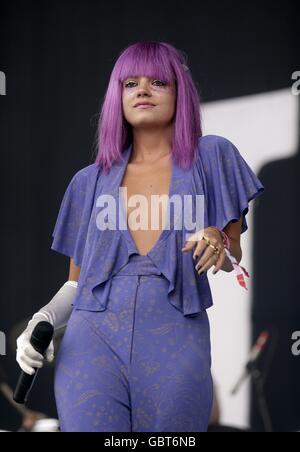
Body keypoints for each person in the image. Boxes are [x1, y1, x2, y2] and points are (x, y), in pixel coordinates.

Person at [16, 41, 264, 432]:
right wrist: (43, 319)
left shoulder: (213, 155)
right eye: (130, 83)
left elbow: (233, 256)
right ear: (118, 96)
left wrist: (218, 237)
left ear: (180, 93)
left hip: (176, 338)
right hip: (91, 340)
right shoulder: (88, 181)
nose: (143, 90)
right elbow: (76, 284)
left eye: (158, 82)